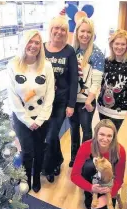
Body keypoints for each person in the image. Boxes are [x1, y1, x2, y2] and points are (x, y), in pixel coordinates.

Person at [7, 30, 55, 193]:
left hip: (42, 116)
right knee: (27, 151)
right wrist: (27, 120)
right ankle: (26, 178)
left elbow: (50, 94)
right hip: (22, 118)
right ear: (24, 43)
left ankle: (36, 179)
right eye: (30, 41)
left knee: (40, 149)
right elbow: (12, 96)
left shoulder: (46, 66)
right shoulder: (12, 65)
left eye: (37, 42)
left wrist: (40, 120)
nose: (33, 45)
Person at [43, 15, 78, 182]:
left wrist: (71, 104)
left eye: (63, 29)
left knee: (51, 135)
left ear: (66, 32)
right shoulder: (42, 49)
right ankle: (58, 160)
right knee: (50, 135)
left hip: (60, 102)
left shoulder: (69, 51)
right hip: (42, 102)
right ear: (50, 29)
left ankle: (48, 168)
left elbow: (73, 80)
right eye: (56, 28)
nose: (59, 32)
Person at [71, 119, 126, 209]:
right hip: (91, 181)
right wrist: (91, 188)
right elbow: (74, 175)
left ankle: (98, 200)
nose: (105, 139)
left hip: (108, 184)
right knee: (89, 166)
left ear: (114, 136)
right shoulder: (86, 146)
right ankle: (88, 201)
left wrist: (108, 194)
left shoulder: (120, 151)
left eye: (109, 136)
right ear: (96, 134)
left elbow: (119, 179)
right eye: (102, 134)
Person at [68, 17, 105, 168]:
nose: (85, 35)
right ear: (77, 32)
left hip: (86, 101)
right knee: (73, 129)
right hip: (72, 101)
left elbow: (96, 81)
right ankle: (74, 156)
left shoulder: (96, 53)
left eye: (88, 32)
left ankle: (85, 159)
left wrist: (89, 100)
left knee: (86, 130)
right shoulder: (71, 51)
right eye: (82, 31)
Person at [97, 29, 127, 131]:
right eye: (117, 43)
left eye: (123, 44)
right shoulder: (107, 61)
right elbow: (102, 82)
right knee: (102, 135)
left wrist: (125, 101)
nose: (119, 47)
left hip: (118, 110)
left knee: (111, 137)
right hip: (102, 107)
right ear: (112, 44)